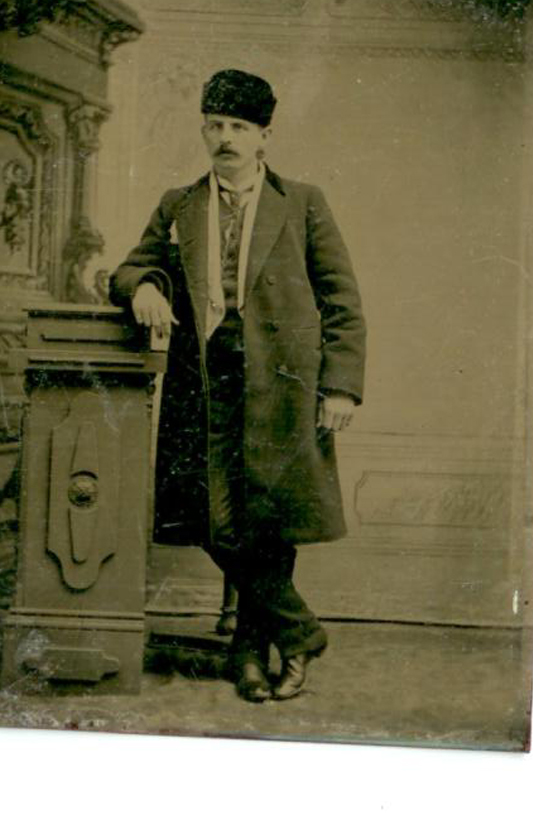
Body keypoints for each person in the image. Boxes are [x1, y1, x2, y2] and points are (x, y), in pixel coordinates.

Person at [110, 69, 366, 702]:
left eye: (240, 128)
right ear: (204, 130)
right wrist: (145, 287)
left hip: (282, 385)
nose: (226, 138)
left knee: (269, 525)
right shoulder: (179, 204)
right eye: (216, 125)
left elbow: (342, 302)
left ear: (263, 137)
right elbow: (132, 266)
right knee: (209, 519)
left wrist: (340, 387)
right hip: (204, 382)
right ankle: (300, 633)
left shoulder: (302, 202)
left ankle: (251, 657)